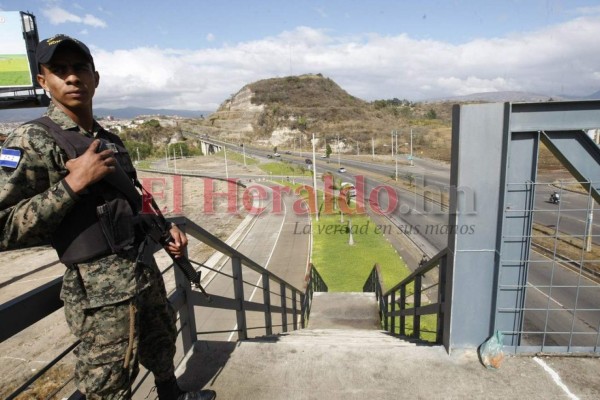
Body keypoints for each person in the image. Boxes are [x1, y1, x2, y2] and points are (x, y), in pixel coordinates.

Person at [0, 35, 216, 400]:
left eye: (79, 68)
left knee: (162, 348)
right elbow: (4, 228)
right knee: (108, 385)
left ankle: (172, 394)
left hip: (143, 272)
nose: (72, 78)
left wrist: (166, 230)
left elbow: (133, 200)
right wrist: (73, 184)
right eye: (60, 70)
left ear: (95, 78)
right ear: (43, 81)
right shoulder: (31, 139)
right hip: (100, 298)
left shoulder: (109, 138)